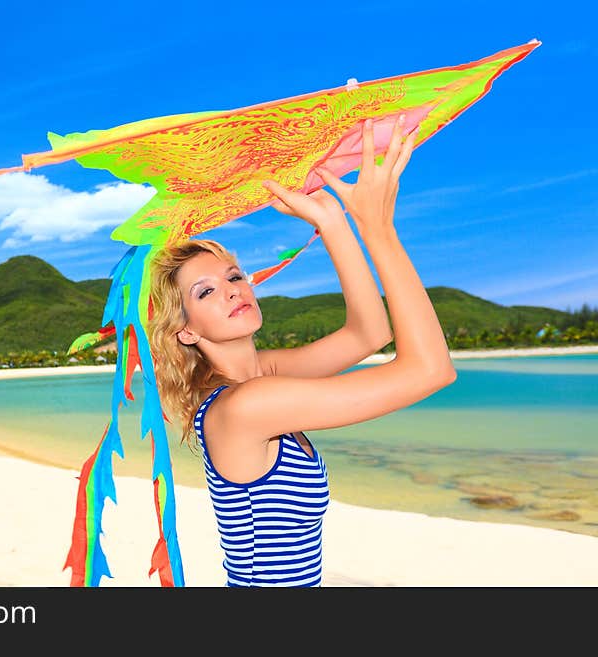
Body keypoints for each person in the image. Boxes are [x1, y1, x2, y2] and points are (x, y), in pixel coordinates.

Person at [146, 115, 457, 587]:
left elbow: (370, 335)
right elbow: (431, 370)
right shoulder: (249, 405)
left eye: (233, 276)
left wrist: (332, 221)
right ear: (184, 332)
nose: (232, 290)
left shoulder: (259, 378)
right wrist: (378, 230)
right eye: (205, 293)